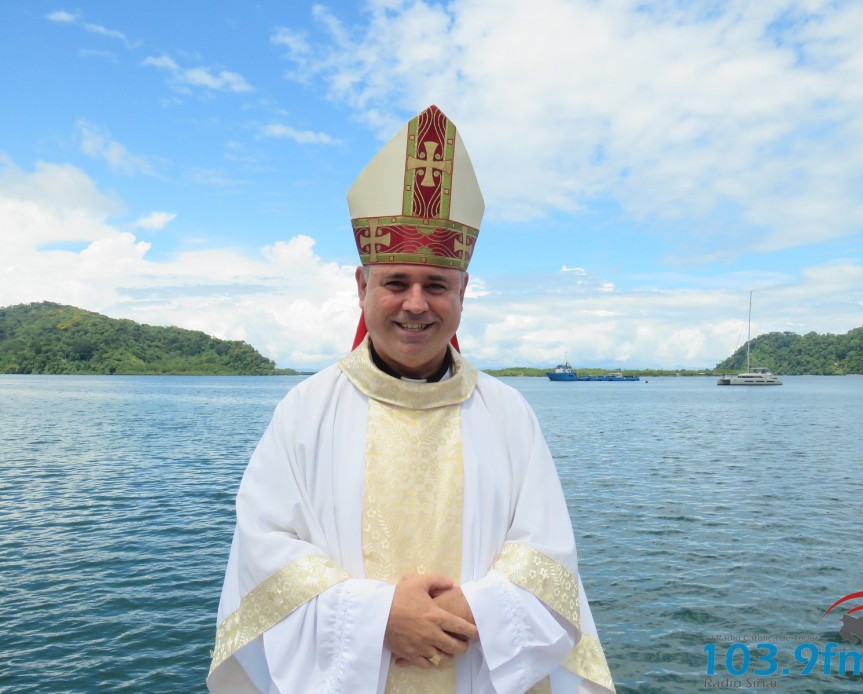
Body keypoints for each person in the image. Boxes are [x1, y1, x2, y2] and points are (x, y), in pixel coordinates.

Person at [207, 105, 615, 693]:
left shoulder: (509, 416)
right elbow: (263, 556)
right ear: (362, 286)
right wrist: (378, 621)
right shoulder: (305, 411)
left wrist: (477, 612)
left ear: (463, 291)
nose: (417, 304)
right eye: (396, 282)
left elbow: (548, 558)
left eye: (437, 285)